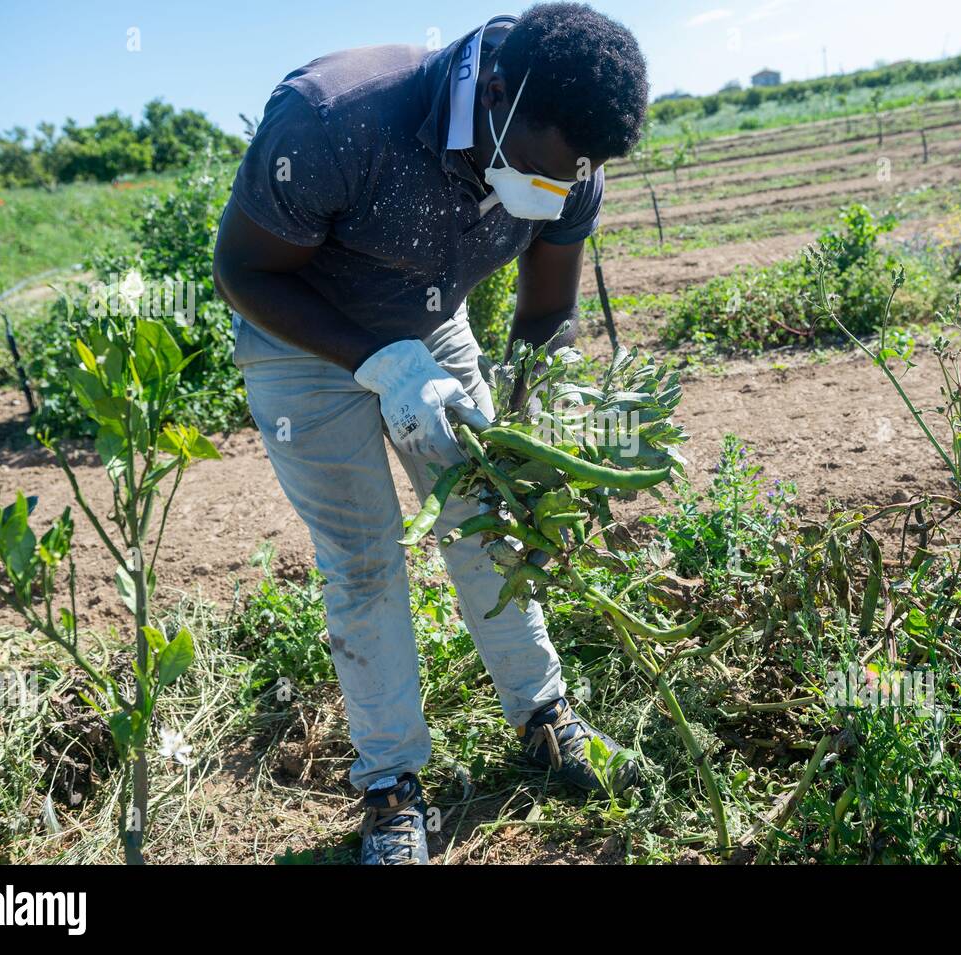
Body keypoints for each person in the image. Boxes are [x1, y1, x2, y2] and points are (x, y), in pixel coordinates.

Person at [212, 3, 649, 864]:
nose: (548, 192)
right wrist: (379, 363)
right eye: (532, 168)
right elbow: (243, 269)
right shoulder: (338, 118)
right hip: (301, 332)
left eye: (568, 180)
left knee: (486, 518)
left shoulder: (569, 160)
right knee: (364, 556)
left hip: (430, 321)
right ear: (493, 90)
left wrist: (533, 417)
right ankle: (391, 787)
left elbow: (546, 309)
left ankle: (545, 713)